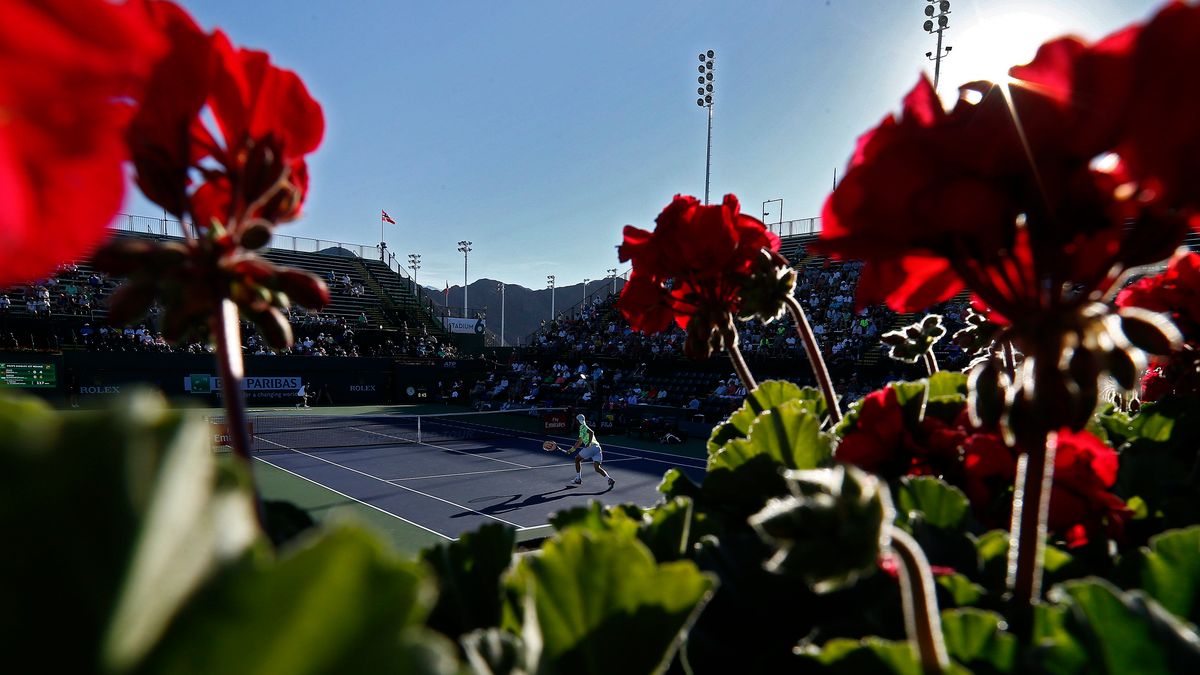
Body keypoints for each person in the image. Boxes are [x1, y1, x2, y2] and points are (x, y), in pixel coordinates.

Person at [568, 413, 614, 488]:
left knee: (577, 459)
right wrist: (571, 450)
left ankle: (578, 479)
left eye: (576, 420)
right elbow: (579, 442)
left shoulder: (583, 427)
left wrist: (588, 443)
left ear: (578, 421)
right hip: (597, 448)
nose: (575, 421)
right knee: (597, 468)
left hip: (591, 447)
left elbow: (591, 432)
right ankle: (609, 479)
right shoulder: (582, 429)